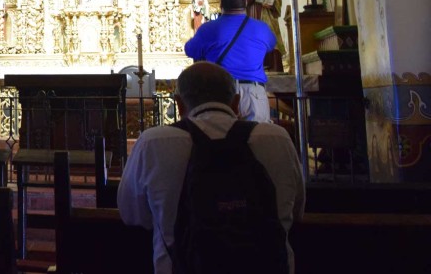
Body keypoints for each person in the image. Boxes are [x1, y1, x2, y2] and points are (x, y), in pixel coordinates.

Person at [118, 62, 305, 274]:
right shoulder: (277, 138)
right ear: (236, 102)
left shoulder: (153, 142)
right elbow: (296, 210)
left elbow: (132, 215)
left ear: (178, 104)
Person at [184, 0, 276, 122]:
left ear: (221, 4)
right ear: (245, 2)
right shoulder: (262, 28)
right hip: (253, 93)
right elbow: (271, 46)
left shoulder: (208, 29)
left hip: (220, 93)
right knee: (256, 140)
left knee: (221, 141)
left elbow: (190, 50)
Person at [245, 0, 285, 68]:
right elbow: (243, 3)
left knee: (269, 36)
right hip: (253, 15)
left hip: (266, 14)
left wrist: (271, 5)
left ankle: (273, 65)